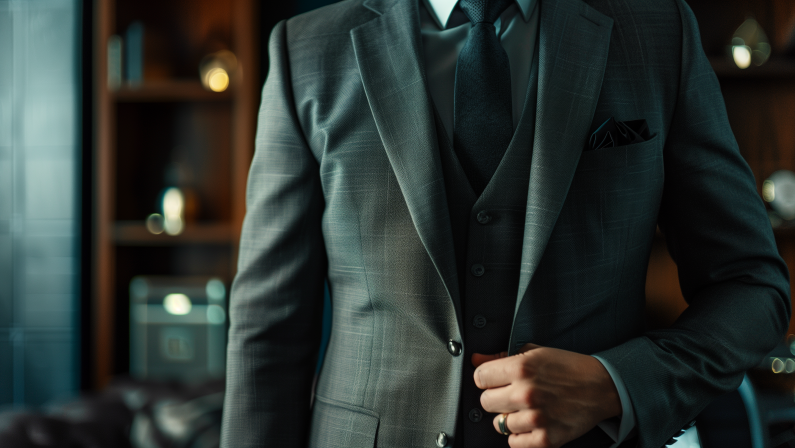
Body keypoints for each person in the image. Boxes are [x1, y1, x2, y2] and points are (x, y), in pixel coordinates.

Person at [220, 0, 791, 446]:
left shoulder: (658, 31)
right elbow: (268, 326)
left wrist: (616, 384)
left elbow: (751, 286)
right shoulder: (308, 49)